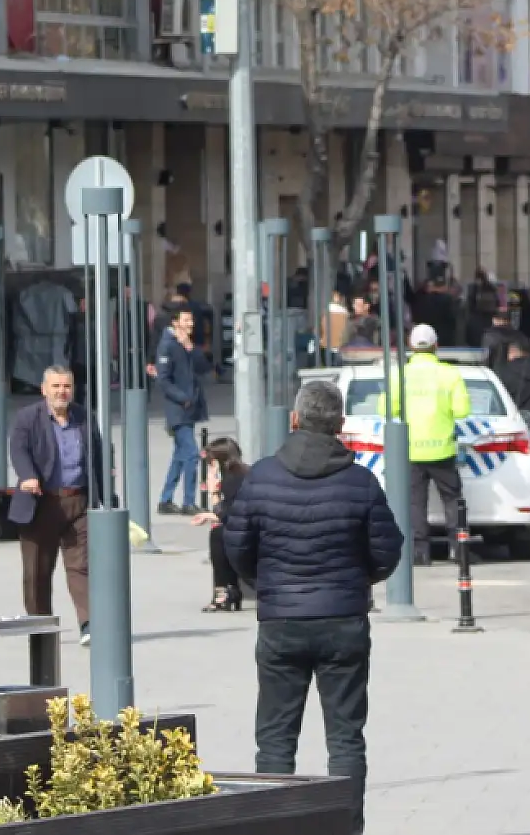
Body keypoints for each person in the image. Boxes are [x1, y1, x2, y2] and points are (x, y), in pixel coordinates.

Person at [223, 380, 402, 835]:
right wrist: (358, 582)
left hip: (281, 621)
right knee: (345, 738)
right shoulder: (360, 481)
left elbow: (237, 545)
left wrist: (265, 585)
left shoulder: (261, 475)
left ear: (295, 420)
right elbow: (387, 550)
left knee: (276, 737)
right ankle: (345, 827)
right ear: (340, 425)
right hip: (343, 621)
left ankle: (274, 827)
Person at [9, 367, 99, 644]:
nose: (62, 392)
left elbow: (97, 451)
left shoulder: (83, 416)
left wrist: (106, 492)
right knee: (37, 570)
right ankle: (40, 626)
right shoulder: (28, 418)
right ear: (44, 389)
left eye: (67, 386)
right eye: (56, 386)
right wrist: (28, 476)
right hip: (42, 501)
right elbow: (18, 449)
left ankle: (89, 625)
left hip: (78, 500)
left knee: (81, 565)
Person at [380, 324, 471, 566]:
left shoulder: (399, 374)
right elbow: (463, 411)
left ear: (411, 347)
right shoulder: (450, 374)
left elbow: (385, 409)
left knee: (415, 502)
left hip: (410, 449)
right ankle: (458, 547)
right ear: (436, 346)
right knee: (452, 499)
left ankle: (420, 552)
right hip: (443, 449)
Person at [155, 308, 208, 516]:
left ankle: (165, 500)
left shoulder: (185, 345)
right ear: (175, 322)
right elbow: (164, 380)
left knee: (180, 456)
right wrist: (182, 398)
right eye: (186, 320)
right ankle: (188, 502)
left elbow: (203, 367)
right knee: (192, 454)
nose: (190, 324)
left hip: (190, 408)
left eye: (192, 319)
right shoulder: (167, 345)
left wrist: (190, 347)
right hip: (178, 410)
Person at [189, 436, 248, 612]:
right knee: (219, 531)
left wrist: (212, 511)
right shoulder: (239, 474)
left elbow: (232, 513)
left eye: (211, 464)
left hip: (254, 532)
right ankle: (230, 590)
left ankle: (224, 592)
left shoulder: (233, 479)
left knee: (218, 534)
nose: (209, 468)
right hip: (254, 527)